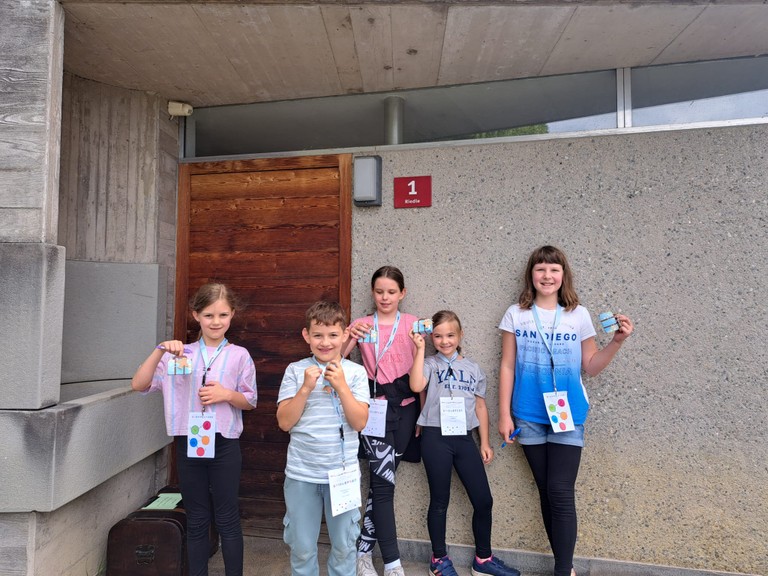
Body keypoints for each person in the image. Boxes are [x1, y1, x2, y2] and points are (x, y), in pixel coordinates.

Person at [498, 245, 634, 576]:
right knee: (547, 492)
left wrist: (616, 342)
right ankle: (566, 568)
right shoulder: (516, 313)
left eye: (554, 269)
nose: (547, 275)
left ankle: (562, 570)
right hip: (528, 414)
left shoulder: (578, 315)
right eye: (540, 269)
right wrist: (503, 414)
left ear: (563, 275)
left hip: (567, 413)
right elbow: (507, 366)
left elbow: (591, 366)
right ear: (531, 274)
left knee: (559, 491)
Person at [131, 282, 258, 576]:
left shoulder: (239, 355)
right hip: (189, 442)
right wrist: (159, 350)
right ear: (196, 315)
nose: (216, 322)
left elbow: (250, 400)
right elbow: (139, 384)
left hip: (224, 444)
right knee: (198, 518)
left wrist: (226, 394)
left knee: (227, 518)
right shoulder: (179, 353)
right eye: (209, 315)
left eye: (223, 315)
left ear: (232, 314)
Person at [409, 310, 522, 576]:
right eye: (438, 336)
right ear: (431, 337)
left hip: (464, 437)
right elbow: (415, 386)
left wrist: (485, 442)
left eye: (450, 335)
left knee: (483, 500)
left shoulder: (473, 369)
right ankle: (438, 560)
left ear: (460, 335)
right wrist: (419, 349)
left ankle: (483, 560)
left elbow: (480, 407)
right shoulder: (429, 363)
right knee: (440, 501)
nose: (444, 341)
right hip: (435, 437)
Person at [277, 301, 370, 576]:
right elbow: (284, 422)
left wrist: (341, 386)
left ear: (345, 335)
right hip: (302, 474)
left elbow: (359, 422)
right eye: (318, 335)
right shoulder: (296, 371)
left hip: (343, 476)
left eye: (332, 335)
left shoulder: (356, 373)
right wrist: (306, 388)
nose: (325, 342)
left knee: (344, 547)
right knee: (302, 548)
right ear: (306, 336)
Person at [342, 266, 421, 576]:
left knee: (381, 484)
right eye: (379, 292)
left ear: (402, 293)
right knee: (383, 485)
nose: (385, 297)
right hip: (374, 410)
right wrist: (350, 338)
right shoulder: (361, 325)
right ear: (372, 293)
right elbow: (336, 362)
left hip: (407, 409)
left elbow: (421, 370)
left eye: (391, 292)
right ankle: (392, 563)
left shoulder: (413, 324)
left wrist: (423, 415)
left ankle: (362, 552)